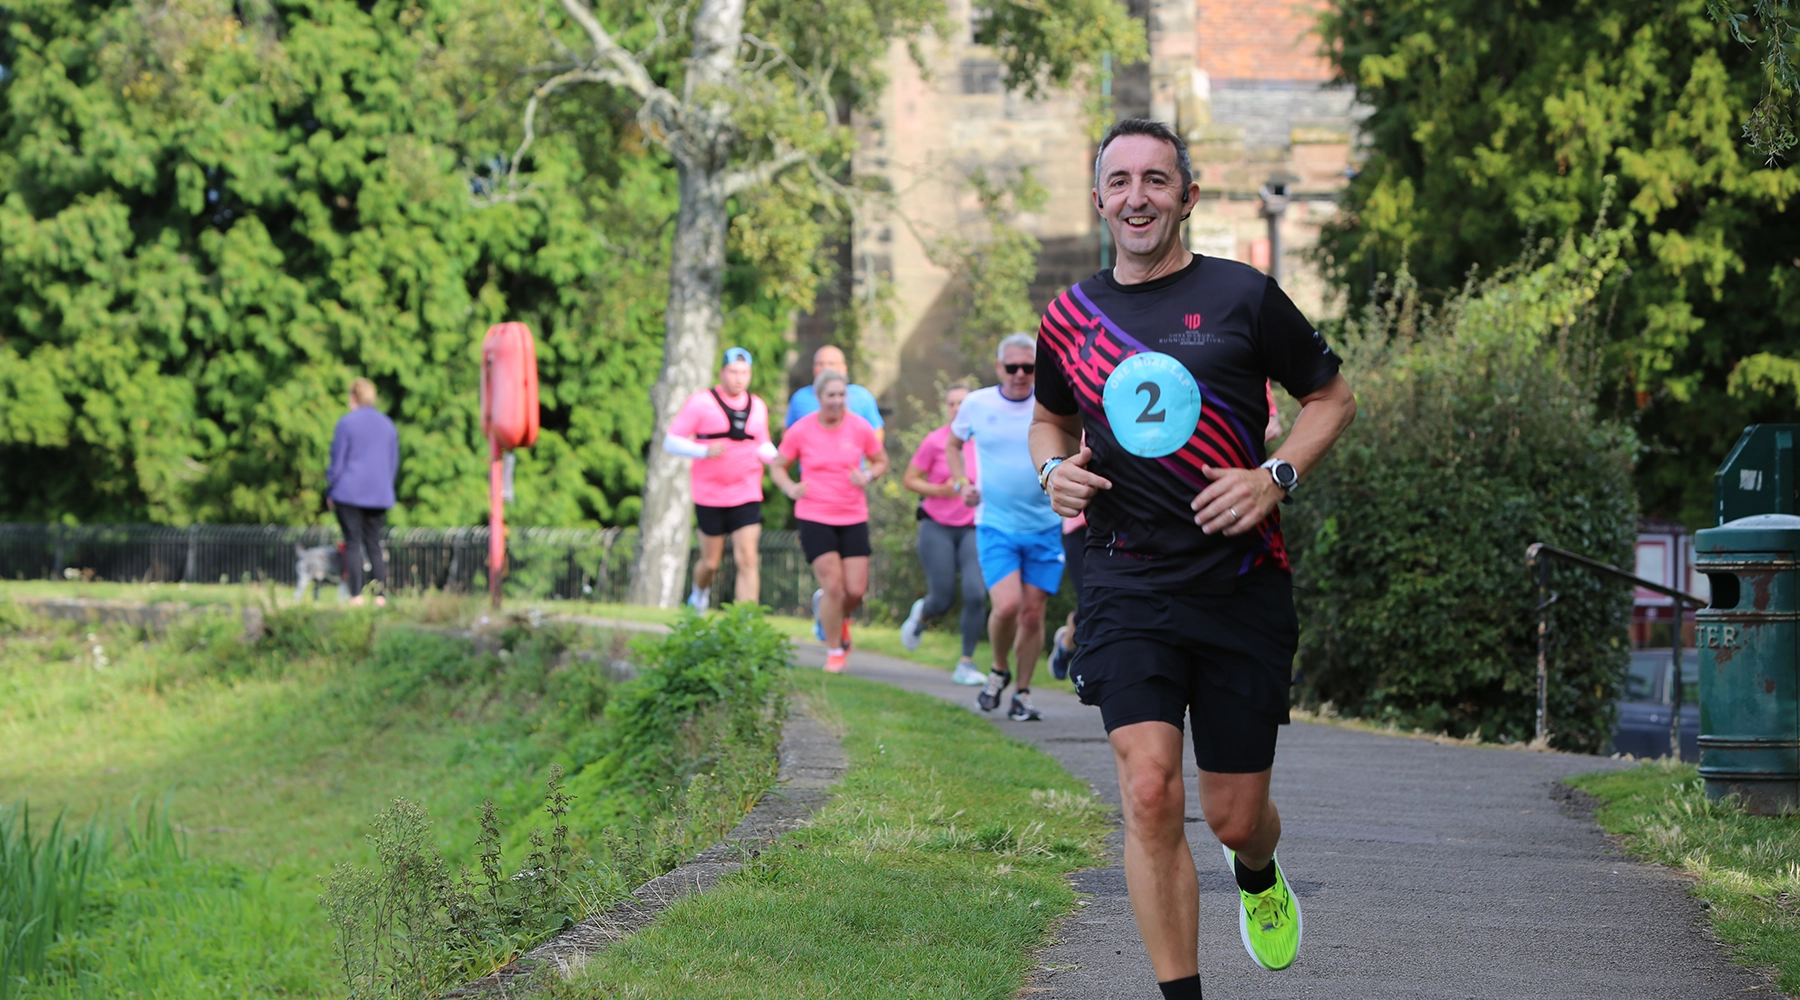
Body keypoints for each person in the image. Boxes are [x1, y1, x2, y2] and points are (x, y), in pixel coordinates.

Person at [1029, 118, 1357, 998]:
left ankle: (1256, 871)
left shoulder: (1244, 296)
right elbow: (1048, 421)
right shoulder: (1071, 316)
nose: (1138, 197)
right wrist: (1052, 468)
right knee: (1147, 791)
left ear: (1188, 196)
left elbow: (1330, 396)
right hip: (1126, 584)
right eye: (1120, 181)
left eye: (1156, 180)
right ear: (1099, 198)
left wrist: (1274, 476)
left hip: (1240, 586)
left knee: (1234, 813)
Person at [946, 333, 1064, 723]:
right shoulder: (977, 404)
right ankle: (998, 669)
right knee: (1008, 606)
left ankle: (1022, 694)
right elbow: (952, 444)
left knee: (1032, 614)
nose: (1019, 374)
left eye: (1028, 368)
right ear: (998, 368)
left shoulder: (1052, 404)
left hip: (1045, 526)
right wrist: (962, 483)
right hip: (995, 524)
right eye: (1011, 367)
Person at [771, 370, 889, 674]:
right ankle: (835, 651)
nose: (837, 401)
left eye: (841, 395)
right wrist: (789, 487)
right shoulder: (801, 430)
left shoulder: (860, 428)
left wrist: (868, 475)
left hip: (853, 515)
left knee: (856, 590)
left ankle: (831, 614)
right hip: (814, 515)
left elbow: (881, 461)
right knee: (834, 586)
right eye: (831, 395)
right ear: (819, 398)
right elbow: (778, 466)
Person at [663, 347, 779, 610]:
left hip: (747, 491)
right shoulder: (701, 402)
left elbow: (762, 445)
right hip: (710, 494)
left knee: (748, 557)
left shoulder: (758, 406)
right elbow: (670, 441)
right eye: (734, 371)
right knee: (711, 562)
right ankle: (699, 595)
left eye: (745, 372)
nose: (739, 378)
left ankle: (746, 622)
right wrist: (702, 451)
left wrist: (782, 460)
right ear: (721, 373)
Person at [899, 382, 988, 686]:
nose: (956, 409)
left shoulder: (985, 440)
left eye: (962, 403)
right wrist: (937, 490)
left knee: (976, 593)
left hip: (973, 526)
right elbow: (910, 479)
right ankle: (923, 614)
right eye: (951, 404)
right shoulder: (936, 441)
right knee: (943, 597)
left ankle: (966, 662)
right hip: (936, 525)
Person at [326, 377, 401, 607]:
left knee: (353, 543)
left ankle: (356, 596)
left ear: (353, 398)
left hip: (348, 493)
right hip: (379, 495)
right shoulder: (388, 424)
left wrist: (330, 489)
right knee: (374, 543)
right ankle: (380, 596)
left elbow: (337, 463)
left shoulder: (346, 423)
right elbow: (392, 464)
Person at [784, 345, 886, 444]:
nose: (825, 368)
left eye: (831, 363)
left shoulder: (861, 396)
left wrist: (859, 451)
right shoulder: (800, 397)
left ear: (844, 368)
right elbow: (788, 435)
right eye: (820, 364)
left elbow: (876, 432)